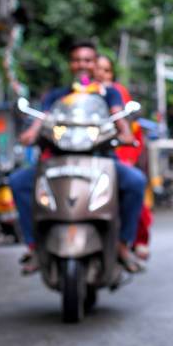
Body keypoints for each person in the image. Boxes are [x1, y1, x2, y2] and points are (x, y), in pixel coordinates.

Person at [10, 40, 146, 274]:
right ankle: (33, 245)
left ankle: (123, 244)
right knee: (18, 182)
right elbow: (41, 119)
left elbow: (118, 116)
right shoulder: (57, 95)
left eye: (87, 60)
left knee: (135, 181)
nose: (82, 64)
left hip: (101, 159)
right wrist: (31, 134)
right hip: (58, 160)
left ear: (95, 64)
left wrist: (124, 133)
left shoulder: (108, 93)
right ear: (70, 64)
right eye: (76, 60)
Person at [95, 54, 152, 260]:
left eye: (106, 70)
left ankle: (132, 241)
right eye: (97, 68)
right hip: (86, 154)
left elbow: (129, 130)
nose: (101, 73)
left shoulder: (117, 93)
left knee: (135, 186)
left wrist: (126, 157)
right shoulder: (82, 92)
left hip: (115, 154)